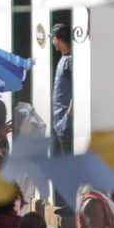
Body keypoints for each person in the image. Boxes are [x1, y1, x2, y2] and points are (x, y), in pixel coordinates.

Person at [51, 23, 73, 155]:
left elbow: (77, 88)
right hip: (59, 123)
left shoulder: (69, 61)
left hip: (65, 124)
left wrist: (68, 115)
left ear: (57, 39)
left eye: (53, 38)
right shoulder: (64, 59)